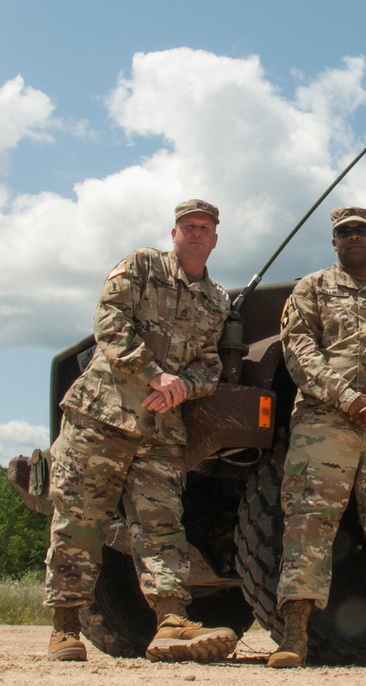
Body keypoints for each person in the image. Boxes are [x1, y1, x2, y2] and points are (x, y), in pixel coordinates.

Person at [45, 199, 236, 663]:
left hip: (160, 429)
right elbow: (109, 323)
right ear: (174, 233)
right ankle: (64, 629)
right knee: (79, 522)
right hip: (102, 416)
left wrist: (182, 386)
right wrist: (155, 374)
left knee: (163, 525)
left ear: (215, 239)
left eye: (205, 227)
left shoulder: (217, 299)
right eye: (188, 226)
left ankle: (171, 621)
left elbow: (209, 366)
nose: (196, 233)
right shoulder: (141, 267)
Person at [268, 206, 366, 670]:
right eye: (344, 232)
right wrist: (348, 398)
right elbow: (299, 353)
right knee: (308, 525)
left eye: (361, 231)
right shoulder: (311, 290)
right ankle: (293, 635)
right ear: (334, 242)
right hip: (325, 426)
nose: (354, 238)